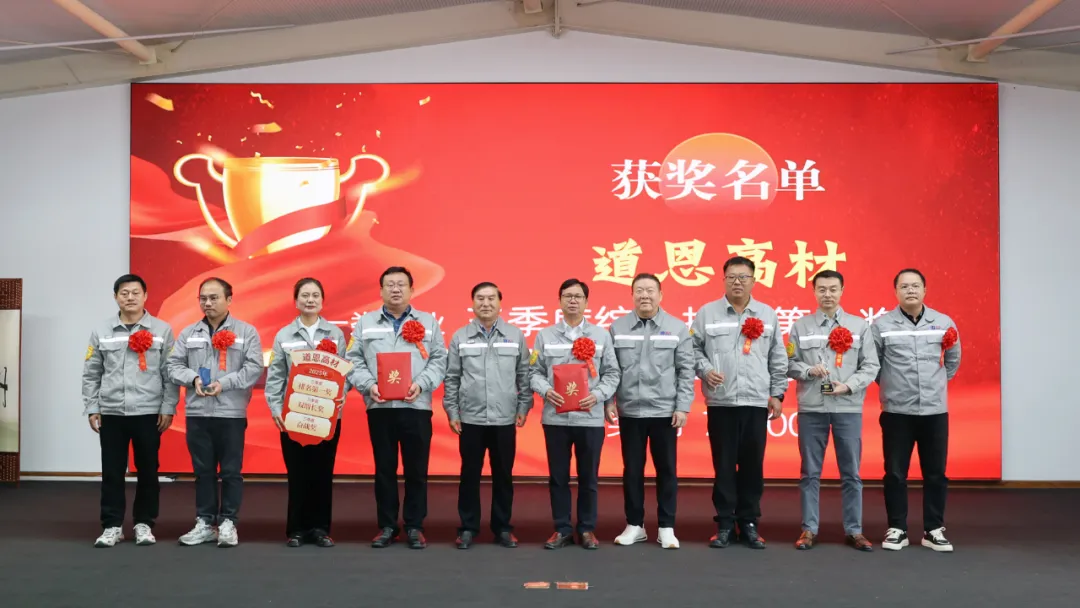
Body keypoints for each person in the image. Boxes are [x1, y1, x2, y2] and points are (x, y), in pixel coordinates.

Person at [346, 266, 447, 550]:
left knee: (417, 469)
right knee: (384, 469)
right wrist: (368, 385)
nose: (395, 289)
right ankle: (387, 526)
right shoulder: (365, 322)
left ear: (412, 290)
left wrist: (422, 384)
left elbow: (440, 359)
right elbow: (352, 359)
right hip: (380, 406)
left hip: (416, 406)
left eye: (401, 284)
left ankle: (414, 526)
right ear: (380, 291)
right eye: (389, 284)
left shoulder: (428, 322)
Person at [692, 256, 787, 549]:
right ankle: (723, 523)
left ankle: (748, 522)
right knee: (723, 466)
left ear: (753, 281)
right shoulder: (707, 313)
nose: (737, 282)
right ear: (723, 280)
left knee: (752, 466)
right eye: (731, 277)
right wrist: (706, 370)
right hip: (721, 403)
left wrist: (777, 394)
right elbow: (692, 349)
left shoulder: (767, 314)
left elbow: (778, 357)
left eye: (743, 277)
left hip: (756, 402)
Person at [82, 274, 178, 548]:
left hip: (149, 412)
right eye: (124, 293)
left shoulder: (162, 330)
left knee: (148, 470)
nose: (130, 297)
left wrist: (168, 407)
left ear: (145, 296)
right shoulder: (102, 330)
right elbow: (91, 373)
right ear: (116, 297)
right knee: (112, 471)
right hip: (112, 412)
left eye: (136, 292)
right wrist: (92, 406)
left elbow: (170, 373)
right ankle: (112, 525)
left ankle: (144, 523)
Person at [786, 270, 879, 551]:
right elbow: (788, 362)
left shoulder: (859, 326)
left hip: (847, 407)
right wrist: (808, 370)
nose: (828, 294)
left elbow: (871, 366)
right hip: (812, 407)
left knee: (851, 473)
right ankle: (808, 529)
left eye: (833, 289)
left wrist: (848, 386)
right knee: (809, 472)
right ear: (814, 292)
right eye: (822, 289)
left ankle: (854, 530)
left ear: (842, 291)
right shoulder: (800, 326)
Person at [167, 277, 263, 548]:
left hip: (230, 413)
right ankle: (205, 522)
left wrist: (225, 383)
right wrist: (193, 379)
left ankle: (228, 522)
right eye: (203, 298)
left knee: (231, 471)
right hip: (198, 413)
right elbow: (173, 365)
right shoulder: (189, 333)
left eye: (214, 298)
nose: (207, 303)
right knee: (203, 471)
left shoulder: (246, 332)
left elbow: (254, 368)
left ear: (229, 300)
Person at [872, 268, 961, 553]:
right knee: (895, 472)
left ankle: (933, 529)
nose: (910, 290)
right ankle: (897, 528)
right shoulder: (882, 325)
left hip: (934, 410)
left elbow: (953, 359)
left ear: (924, 290)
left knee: (936, 472)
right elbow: (874, 365)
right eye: (904, 286)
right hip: (897, 411)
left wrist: (936, 384)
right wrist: (893, 386)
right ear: (895, 291)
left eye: (915, 286)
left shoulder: (943, 322)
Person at [530, 278, 620, 550]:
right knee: (558, 477)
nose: (572, 300)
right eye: (567, 296)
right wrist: (546, 390)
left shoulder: (601, 335)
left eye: (578, 296)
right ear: (559, 301)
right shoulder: (545, 335)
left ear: (586, 302)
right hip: (555, 418)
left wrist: (599, 395)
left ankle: (587, 529)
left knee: (588, 477)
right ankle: (561, 529)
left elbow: (613, 373)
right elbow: (533, 372)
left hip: (589, 417)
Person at [606, 273, 694, 550]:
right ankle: (635, 525)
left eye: (650, 290)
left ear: (660, 295)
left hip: (664, 411)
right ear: (632, 295)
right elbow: (610, 369)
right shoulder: (617, 328)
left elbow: (686, 371)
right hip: (630, 411)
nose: (645, 295)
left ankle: (666, 527)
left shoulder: (677, 328)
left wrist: (682, 406)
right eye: (639, 291)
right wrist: (609, 401)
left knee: (666, 470)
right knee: (632, 470)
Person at [443, 281, 532, 549]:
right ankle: (468, 527)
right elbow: (452, 377)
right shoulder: (460, 336)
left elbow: (524, 375)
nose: (486, 303)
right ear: (472, 303)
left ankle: (502, 527)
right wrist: (452, 411)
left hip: (504, 418)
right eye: (480, 298)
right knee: (469, 475)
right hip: (470, 418)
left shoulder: (515, 335)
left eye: (491, 298)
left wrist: (523, 407)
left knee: (503, 475)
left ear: (500, 303)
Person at [265, 278, 349, 548]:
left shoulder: (335, 334)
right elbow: (275, 377)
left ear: (322, 301)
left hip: (326, 416)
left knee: (323, 472)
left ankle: (321, 528)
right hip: (294, 416)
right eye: (304, 295)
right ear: (296, 301)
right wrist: (276, 409)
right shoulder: (284, 335)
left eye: (315, 295)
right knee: (298, 473)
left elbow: (344, 373)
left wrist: (341, 397)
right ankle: (297, 530)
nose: (310, 300)